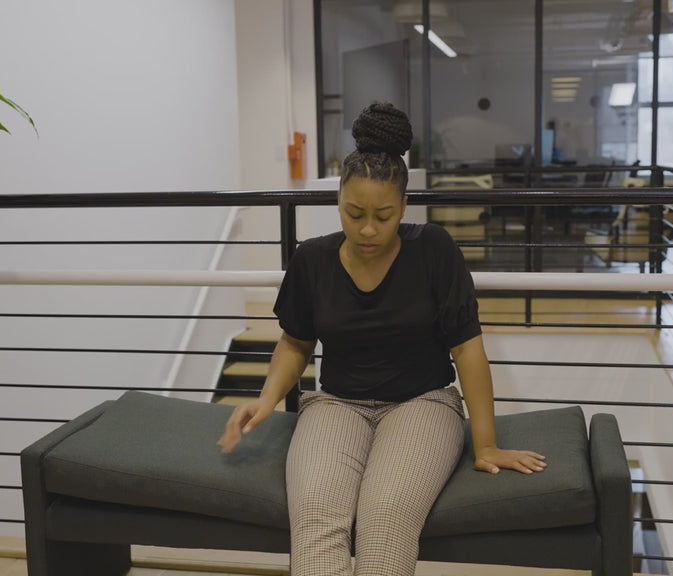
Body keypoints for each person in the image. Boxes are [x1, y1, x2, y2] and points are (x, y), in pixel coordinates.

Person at [217, 102, 546, 576]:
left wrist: (486, 445)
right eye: (354, 213)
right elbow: (295, 342)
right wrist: (266, 399)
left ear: (404, 207)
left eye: (383, 215)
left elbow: (467, 349)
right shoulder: (313, 259)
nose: (367, 229)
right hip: (336, 404)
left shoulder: (433, 249)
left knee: (385, 519)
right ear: (338, 201)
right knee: (315, 518)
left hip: (423, 403)